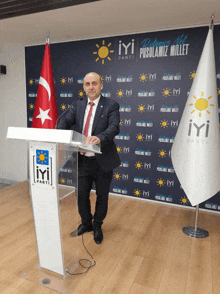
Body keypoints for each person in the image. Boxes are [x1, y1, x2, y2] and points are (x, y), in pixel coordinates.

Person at [57, 72, 120, 244]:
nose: (91, 87)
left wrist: (100, 137)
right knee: (81, 195)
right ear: (83, 87)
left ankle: (97, 225)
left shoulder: (111, 105)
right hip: (82, 160)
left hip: (102, 161)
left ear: (101, 85)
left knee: (102, 196)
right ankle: (86, 223)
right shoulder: (77, 105)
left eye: (94, 83)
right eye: (87, 84)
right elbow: (64, 122)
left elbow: (114, 127)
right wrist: (58, 132)